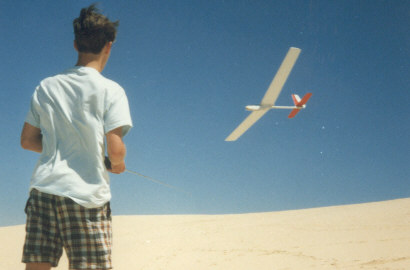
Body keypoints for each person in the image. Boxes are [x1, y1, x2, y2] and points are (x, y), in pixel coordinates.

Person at [20, 4, 132, 270]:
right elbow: (116, 151)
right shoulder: (111, 90)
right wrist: (117, 165)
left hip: (43, 190)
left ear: (75, 45)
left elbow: (27, 140)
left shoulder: (46, 86)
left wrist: (59, 151)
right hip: (86, 194)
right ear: (109, 45)